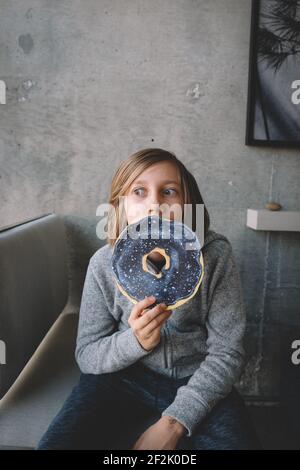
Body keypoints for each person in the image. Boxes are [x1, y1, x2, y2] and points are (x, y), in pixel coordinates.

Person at [37, 148, 262, 450]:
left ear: (188, 203)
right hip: (123, 379)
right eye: (139, 192)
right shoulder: (104, 264)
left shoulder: (215, 256)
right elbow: (88, 355)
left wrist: (174, 422)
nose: (155, 204)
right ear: (121, 204)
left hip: (197, 380)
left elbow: (228, 352)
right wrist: (136, 341)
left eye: (169, 191)